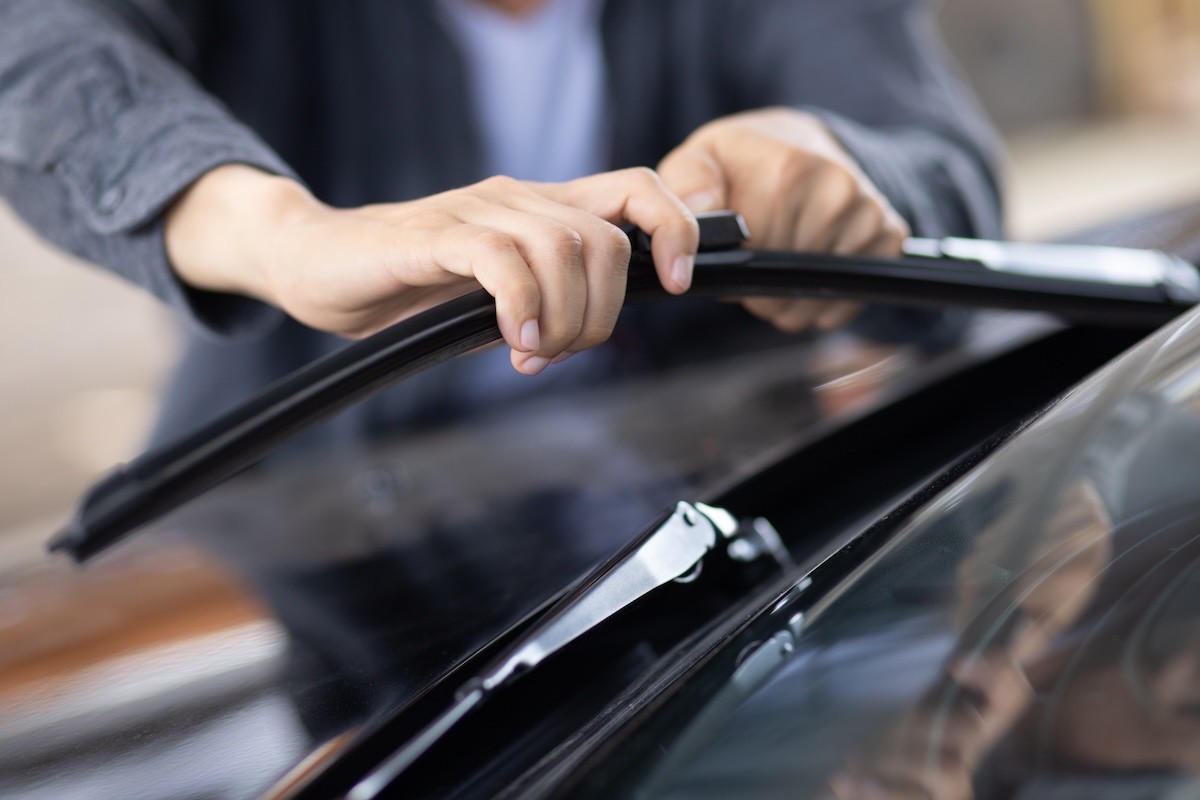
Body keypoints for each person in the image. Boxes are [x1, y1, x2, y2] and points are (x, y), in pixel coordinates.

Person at [0, 0, 1001, 450]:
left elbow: (949, 189)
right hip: (316, 540)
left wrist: (839, 167)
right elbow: (36, 44)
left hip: (719, 530)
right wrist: (283, 235)